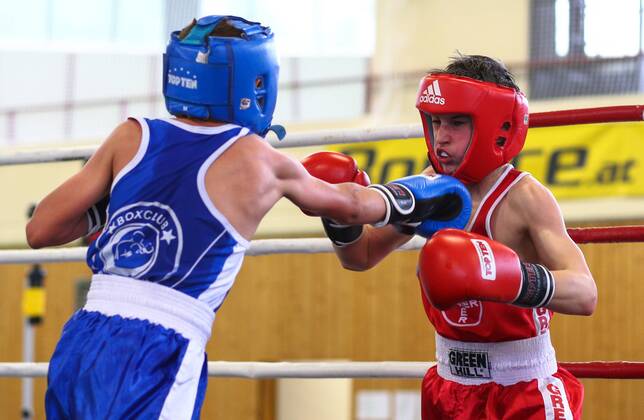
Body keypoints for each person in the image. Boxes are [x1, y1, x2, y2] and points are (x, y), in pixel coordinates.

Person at [25, 16, 471, 419]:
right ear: (254, 83)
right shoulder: (258, 158)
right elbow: (352, 206)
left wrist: (124, 194)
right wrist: (420, 193)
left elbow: (40, 229)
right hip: (160, 344)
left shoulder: (130, 137)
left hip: (83, 335)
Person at [305, 55, 597, 419]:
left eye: (457, 123)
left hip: (522, 388)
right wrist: (338, 219)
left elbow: (585, 293)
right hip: (449, 386)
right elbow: (359, 256)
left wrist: (508, 277)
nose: (442, 137)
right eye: (436, 121)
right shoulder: (434, 188)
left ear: (497, 127)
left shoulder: (525, 198)